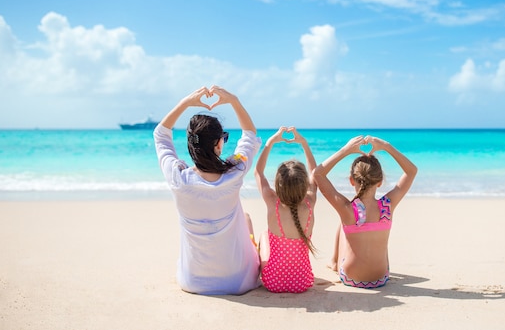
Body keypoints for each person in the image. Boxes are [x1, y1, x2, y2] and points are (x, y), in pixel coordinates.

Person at [153, 85, 262, 295]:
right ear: (218, 145)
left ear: (191, 145)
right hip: (239, 281)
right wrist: (234, 100)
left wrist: (186, 102)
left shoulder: (179, 178)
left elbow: (161, 135)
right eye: (224, 137)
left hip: (192, 282)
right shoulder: (235, 171)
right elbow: (249, 135)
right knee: (247, 220)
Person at [313, 135, 417, 289]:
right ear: (380, 182)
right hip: (381, 278)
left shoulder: (347, 209)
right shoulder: (387, 206)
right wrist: (386, 145)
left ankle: (334, 262)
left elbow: (317, 174)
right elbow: (411, 171)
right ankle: (338, 262)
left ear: (351, 180)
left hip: (351, 277)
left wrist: (345, 150)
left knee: (344, 225)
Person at [255, 126, 317, 293]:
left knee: (263, 235)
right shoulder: (310, 203)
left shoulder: (272, 201)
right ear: (305, 186)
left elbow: (258, 172)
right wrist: (304, 143)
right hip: (303, 282)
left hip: (272, 282)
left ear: (278, 185)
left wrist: (270, 143)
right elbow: (314, 174)